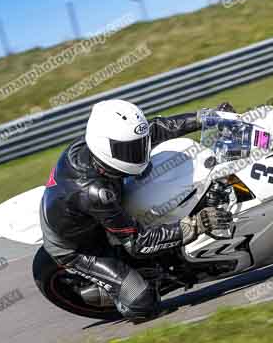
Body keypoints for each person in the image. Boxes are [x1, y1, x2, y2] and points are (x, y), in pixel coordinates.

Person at [39, 99, 235, 323]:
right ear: (106, 147)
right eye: (131, 149)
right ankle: (128, 290)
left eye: (139, 145)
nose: (140, 152)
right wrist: (196, 225)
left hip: (95, 211)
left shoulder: (100, 149)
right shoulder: (94, 192)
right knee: (143, 304)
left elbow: (157, 129)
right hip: (79, 248)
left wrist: (204, 118)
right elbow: (139, 243)